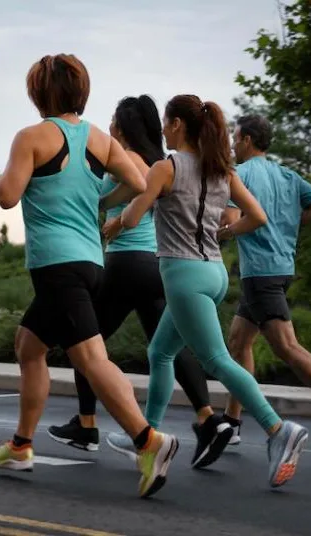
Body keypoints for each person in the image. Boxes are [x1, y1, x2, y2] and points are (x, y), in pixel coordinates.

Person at [0, 54, 179, 498]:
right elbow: (141, 183)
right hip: (90, 262)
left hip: (57, 266)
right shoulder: (100, 140)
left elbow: (7, 196)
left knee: (90, 358)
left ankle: (149, 441)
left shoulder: (31, 137)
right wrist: (101, 204)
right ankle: (22, 445)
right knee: (29, 346)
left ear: (38, 92)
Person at [120, 94, 309, 489]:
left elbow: (134, 214)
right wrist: (225, 232)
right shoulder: (222, 169)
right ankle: (148, 435)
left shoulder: (165, 167)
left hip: (184, 275)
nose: (162, 130)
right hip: (215, 273)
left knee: (218, 360)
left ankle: (279, 430)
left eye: (166, 123)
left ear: (176, 126)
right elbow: (256, 216)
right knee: (160, 351)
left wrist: (113, 222)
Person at [47, 94, 232, 470]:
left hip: (126, 264)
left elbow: (119, 195)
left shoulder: (129, 160)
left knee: (84, 341)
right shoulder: (158, 161)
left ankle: (86, 426)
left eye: (114, 120)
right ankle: (208, 418)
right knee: (166, 347)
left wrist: (102, 208)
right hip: (155, 267)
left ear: (124, 126)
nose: (110, 125)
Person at [220, 114, 311, 453]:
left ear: (246, 140)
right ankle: (232, 420)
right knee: (238, 341)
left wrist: (221, 231)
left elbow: (229, 221)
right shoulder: (286, 175)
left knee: (286, 347)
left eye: (235, 138)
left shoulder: (240, 175)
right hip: (281, 268)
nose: (231, 144)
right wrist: (288, 222)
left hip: (260, 272)